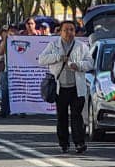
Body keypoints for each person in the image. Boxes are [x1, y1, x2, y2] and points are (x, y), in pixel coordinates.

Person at [38, 20, 95, 154]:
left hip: (76, 87)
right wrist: (58, 57)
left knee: (77, 116)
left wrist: (79, 65)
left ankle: (79, 143)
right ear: (60, 31)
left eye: (71, 30)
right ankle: (64, 143)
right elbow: (41, 59)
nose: (69, 32)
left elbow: (90, 63)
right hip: (60, 88)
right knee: (62, 117)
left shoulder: (81, 46)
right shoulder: (53, 45)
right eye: (66, 30)